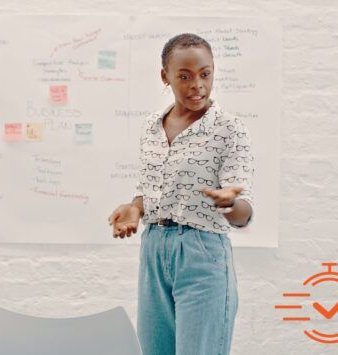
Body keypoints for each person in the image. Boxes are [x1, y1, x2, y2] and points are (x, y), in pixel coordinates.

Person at [108, 33, 254, 355]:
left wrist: (230, 203)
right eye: (184, 76)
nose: (197, 85)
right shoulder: (151, 127)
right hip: (154, 249)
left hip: (202, 251)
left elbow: (244, 212)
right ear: (166, 77)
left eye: (205, 74)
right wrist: (135, 207)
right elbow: (152, 191)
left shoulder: (229, 128)